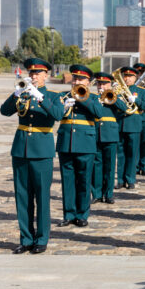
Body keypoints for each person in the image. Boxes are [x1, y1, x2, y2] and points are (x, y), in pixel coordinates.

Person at [1, 58, 64, 254]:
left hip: (41, 151)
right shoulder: (23, 94)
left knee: (42, 196)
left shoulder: (53, 96)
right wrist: (17, 93)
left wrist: (40, 97)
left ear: (47, 75)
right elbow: (4, 111)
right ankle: (26, 239)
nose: (34, 76)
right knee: (22, 196)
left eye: (38, 73)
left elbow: (58, 115)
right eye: (32, 73)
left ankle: (42, 239)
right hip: (21, 149)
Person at [56, 64, 103, 228]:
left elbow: (99, 113)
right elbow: (55, 115)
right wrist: (65, 104)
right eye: (75, 78)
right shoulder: (62, 95)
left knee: (83, 180)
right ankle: (69, 214)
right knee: (67, 181)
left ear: (88, 82)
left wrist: (82, 98)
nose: (76, 81)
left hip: (85, 143)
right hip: (66, 143)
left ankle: (82, 214)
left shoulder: (94, 98)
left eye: (81, 79)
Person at [92, 72, 126, 205]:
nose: (101, 86)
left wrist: (113, 96)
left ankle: (109, 194)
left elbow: (124, 108)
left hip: (110, 135)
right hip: (95, 134)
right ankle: (97, 194)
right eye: (99, 83)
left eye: (104, 84)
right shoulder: (93, 97)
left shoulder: (114, 97)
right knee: (96, 166)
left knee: (110, 167)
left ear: (110, 85)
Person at [116, 67, 145, 189]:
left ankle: (130, 179)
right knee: (120, 154)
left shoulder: (140, 91)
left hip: (134, 125)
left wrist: (137, 100)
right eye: (125, 76)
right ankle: (120, 180)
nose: (127, 78)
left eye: (130, 76)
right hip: (120, 124)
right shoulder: (118, 90)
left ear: (135, 78)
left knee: (132, 154)